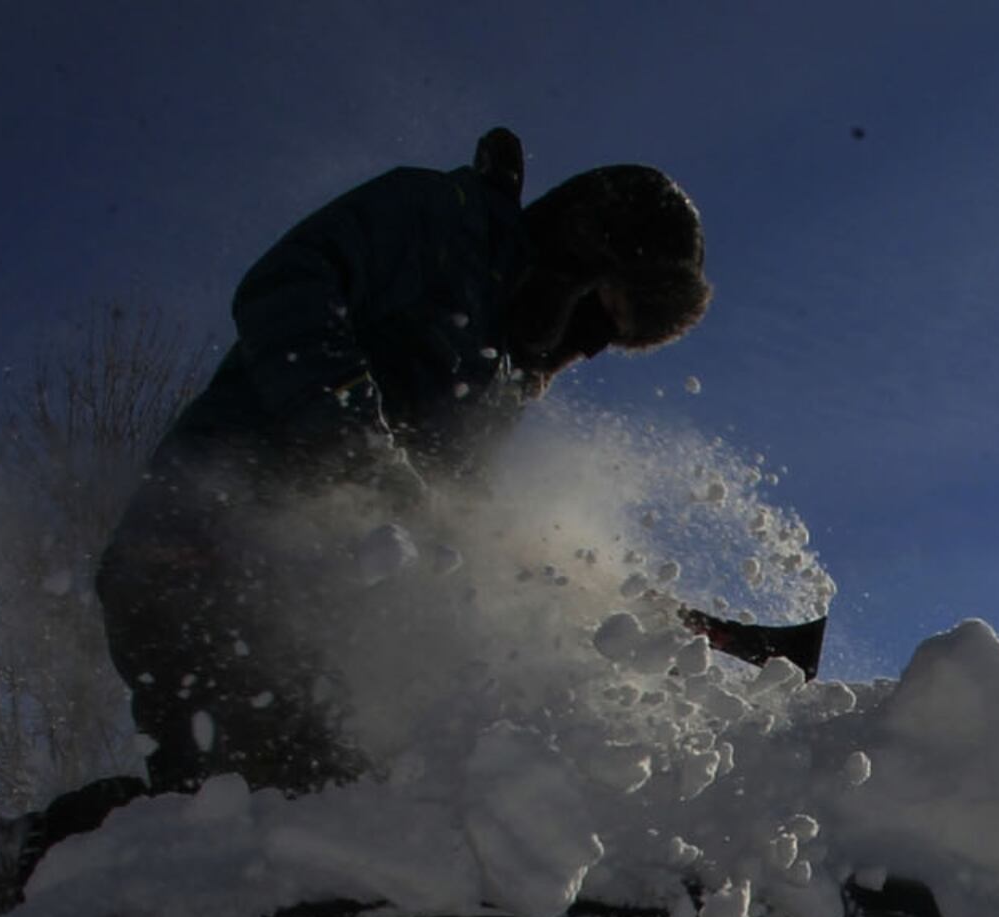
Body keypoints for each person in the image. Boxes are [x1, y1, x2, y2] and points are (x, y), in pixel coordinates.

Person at [96, 127, 711, 795]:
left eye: (611, 338)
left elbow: (446, 530)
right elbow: (287, 284)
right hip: (203, 550)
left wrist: (578, 601)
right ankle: (39, 868)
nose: (583, 346)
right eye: (603, 310)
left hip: (292, 604)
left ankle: (37, 863)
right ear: (577, 253)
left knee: (331, 809)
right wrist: (354, 445)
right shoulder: (443, 221)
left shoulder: (493, 385)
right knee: (264, 806)